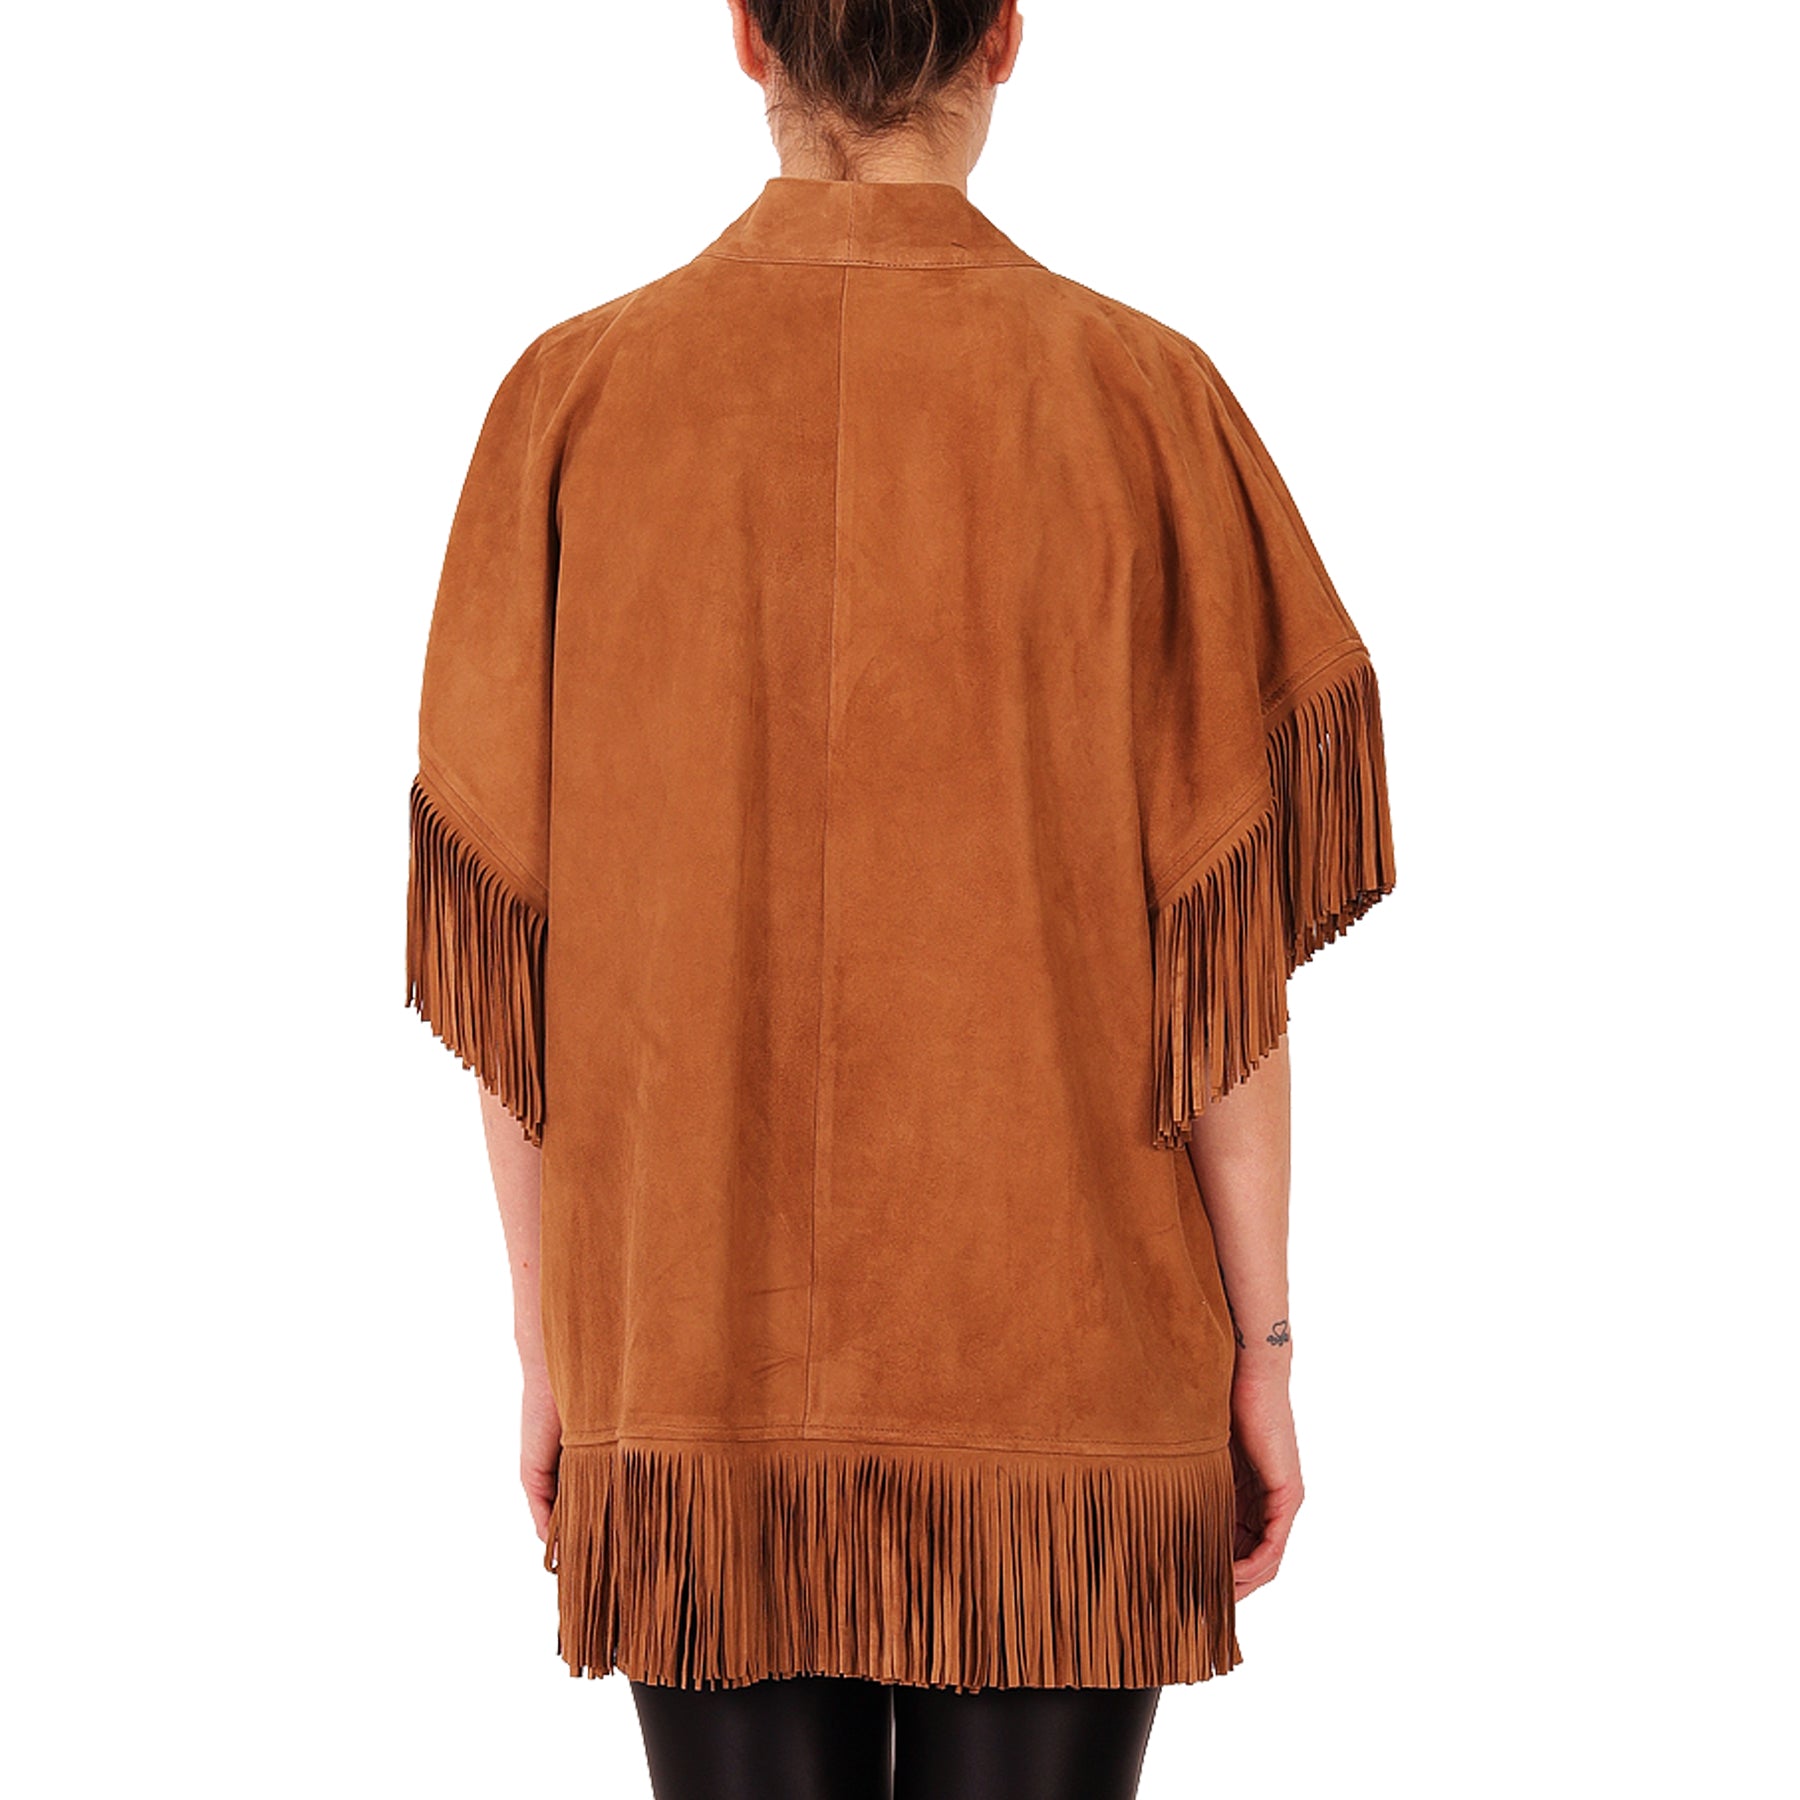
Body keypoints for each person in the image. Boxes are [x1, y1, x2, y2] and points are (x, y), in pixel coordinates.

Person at [403, 2, 1396, 1795]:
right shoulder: (1143, 399)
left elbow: (521, 982)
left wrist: (554, 1348)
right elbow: (1222, 976)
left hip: (692, 1388)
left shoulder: (574, 403)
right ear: (1003, 38)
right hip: (1067, 1401)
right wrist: (1264, 1351)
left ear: (747, 38)